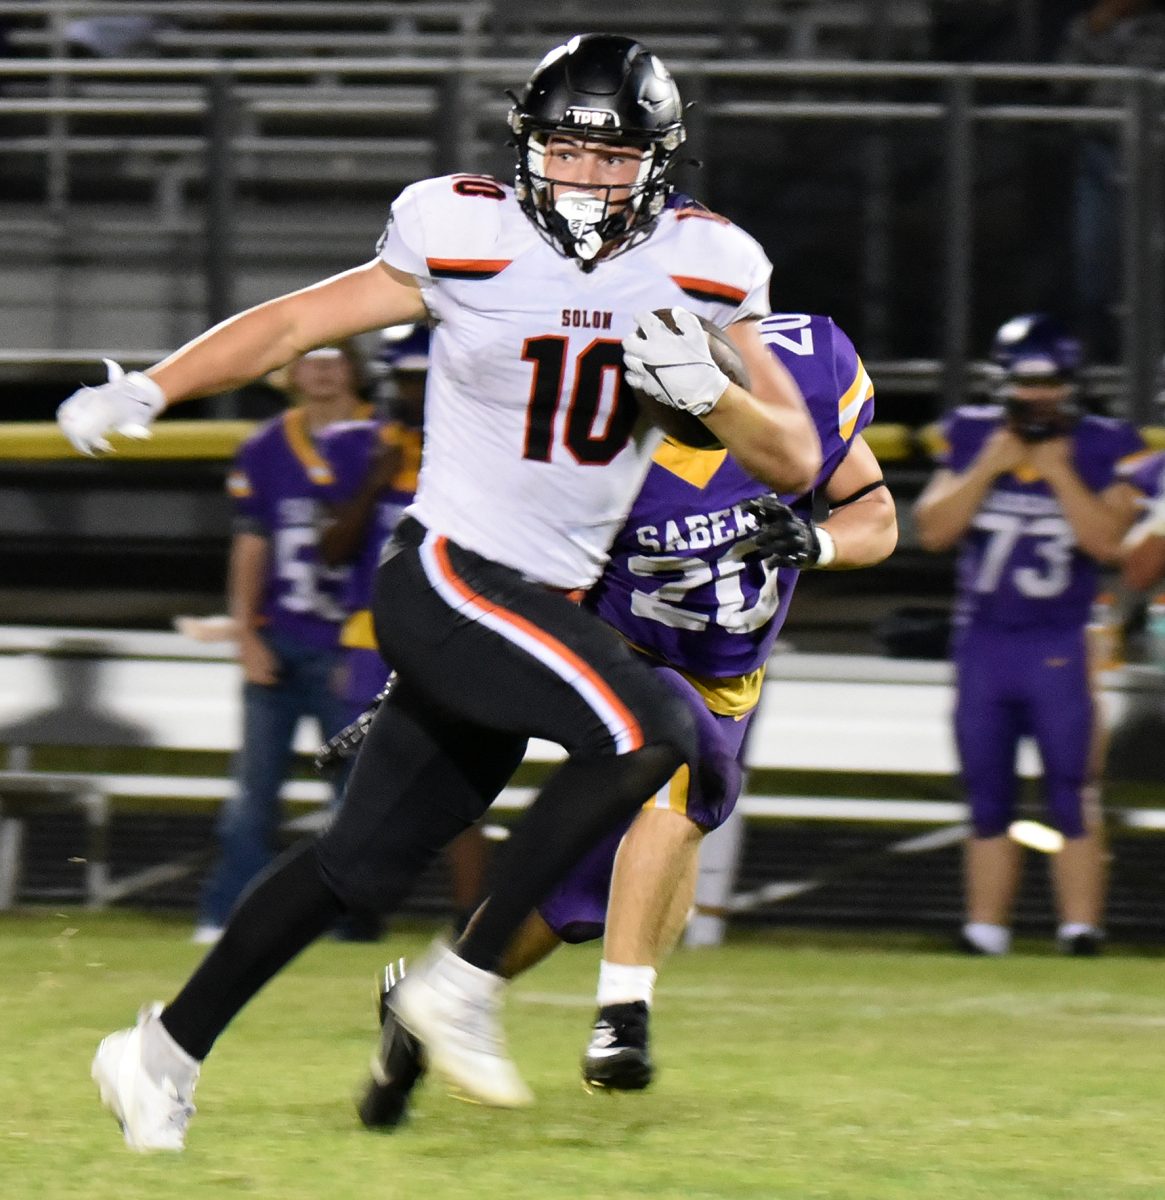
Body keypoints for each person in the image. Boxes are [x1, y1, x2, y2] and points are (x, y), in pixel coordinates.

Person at [64, 33, 821, 1151]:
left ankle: (157, 1054)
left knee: (354, 863)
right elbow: (293, 322)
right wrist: (157, 385)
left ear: (661, 163)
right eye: (567, 149)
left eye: (613, 160)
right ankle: (460, 983)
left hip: (539, 606)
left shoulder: (710, 263)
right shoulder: (458, 226)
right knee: (652, 730)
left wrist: (712, 389)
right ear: (526, 146)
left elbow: (795, 456)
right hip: (451, 573)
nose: (586, 177)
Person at [357, 312, 896, 1127]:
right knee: (688, 777)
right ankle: (622, 1020)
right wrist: (418, 679)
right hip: (627, 661)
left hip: (729, 674)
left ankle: (439, 996)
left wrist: (817, 544)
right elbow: (489, 580)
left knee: (585, 897)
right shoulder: (592, 457)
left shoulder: (795, 382)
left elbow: (875, 514)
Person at [913, 313, 1145, 957]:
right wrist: (989, 464)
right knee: (986, 789)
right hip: (984, 641)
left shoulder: (1107, 444)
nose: (1037, 397)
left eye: (1049, 384)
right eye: (1026, 383)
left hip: (1059, 643)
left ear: (1070, 384)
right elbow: (933, 530)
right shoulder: (970, 435)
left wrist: (1060, 472)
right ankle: (985, 928)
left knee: (1072, 786)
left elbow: (1107, 543)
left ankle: (1080, 929)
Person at [316, 324, 489, 936]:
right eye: (408, 380)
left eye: (424, 380)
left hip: (446, 638)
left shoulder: (476, 453)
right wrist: (376, 477)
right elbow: (332, 550)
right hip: (369, 640)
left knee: (453, 792)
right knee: (358, 792)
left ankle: (471, 922)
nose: (414, 393)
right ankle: (352, 917)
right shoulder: (360, 446)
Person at [194, 344, 367, 944]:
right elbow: (252, 543)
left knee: (355, 800)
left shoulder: (385, 441)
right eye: (310, 359)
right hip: (282, 638)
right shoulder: (267, 445)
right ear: (290, 373)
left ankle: (346, 924)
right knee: (253, 794)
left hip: (352, 646)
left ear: (354, 368)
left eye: (334, 358)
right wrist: (245, 631)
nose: (322, 370)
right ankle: (225, 916)